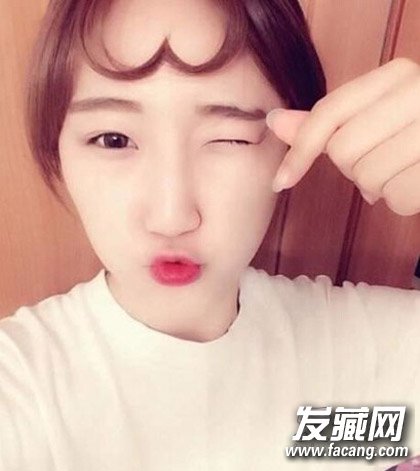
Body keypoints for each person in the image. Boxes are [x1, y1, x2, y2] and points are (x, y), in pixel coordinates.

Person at [1, 0, 419, 470]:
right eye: (113, 139)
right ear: (58, 156)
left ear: (297, 146)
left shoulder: (359, 358)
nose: (172, 217)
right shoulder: (23, 389)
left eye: (229, 137)